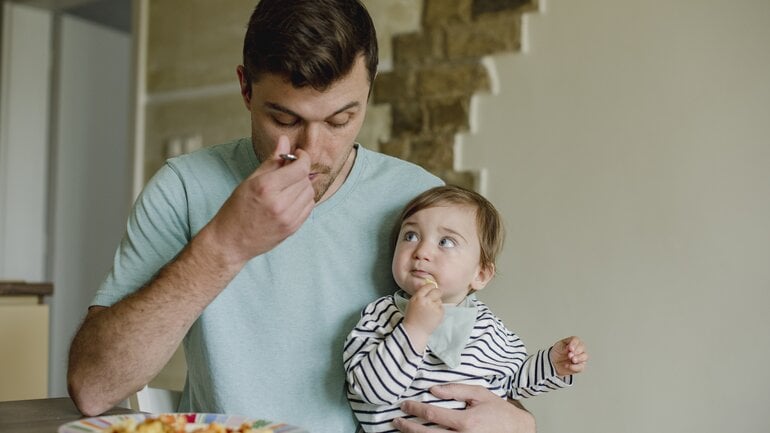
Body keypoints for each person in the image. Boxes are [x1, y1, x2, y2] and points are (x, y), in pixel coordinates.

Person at [66, 1, 536, 432]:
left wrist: (519, 425)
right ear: (246, 89)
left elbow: (478, 367)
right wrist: (226, 244)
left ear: (369, 92)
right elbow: (94, 388)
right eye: (286, 120)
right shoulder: (185, 189)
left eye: (339, 121)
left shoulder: (419, 205)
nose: (313, 152)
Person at [344, 186, 589, 432]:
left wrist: (552, 365)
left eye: (446, 241)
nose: (422, 252)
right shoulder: (380, 315)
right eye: (410, 236)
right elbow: (370, 391)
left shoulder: (488, 327)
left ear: (480, 274)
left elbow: (511, 383)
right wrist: (414, 329)